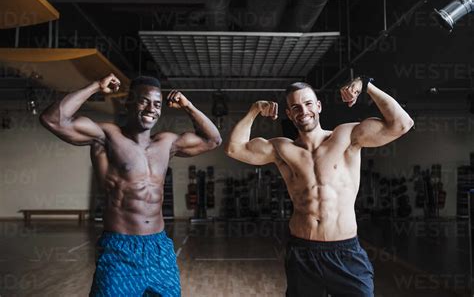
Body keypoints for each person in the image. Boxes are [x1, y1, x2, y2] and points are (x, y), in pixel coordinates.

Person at [224, 77, 414, 297]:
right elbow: (234, 149)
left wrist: (367, 85)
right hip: (302, 253)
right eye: (295, 107)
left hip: (345, 252)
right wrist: (254, 110)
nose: (303, 111)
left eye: (308, 103)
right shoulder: (281, 148)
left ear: (318, 106)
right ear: (289, 114)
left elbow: (402, 124)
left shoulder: (346, 136)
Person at [40, 73, 222, 297]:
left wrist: (188, 106)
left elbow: (213, 139)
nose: (150, 109)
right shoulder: (106, 136)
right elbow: (53, 119)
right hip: (119, 249)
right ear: (128, 102)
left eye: (157, 104)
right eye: (144, 101)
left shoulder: (166, 143)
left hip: (159, 249)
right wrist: (96, 86)